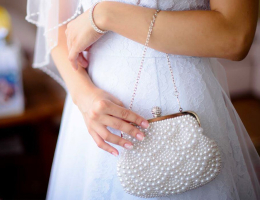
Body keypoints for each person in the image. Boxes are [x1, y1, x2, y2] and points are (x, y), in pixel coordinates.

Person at [26, 0, 260, 199]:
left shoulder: (104, 13)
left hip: (189, 106)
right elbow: (56, 24)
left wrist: (105, 14)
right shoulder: (88, 101)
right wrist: (82, 95)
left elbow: (235, 36)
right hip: (96, 114)